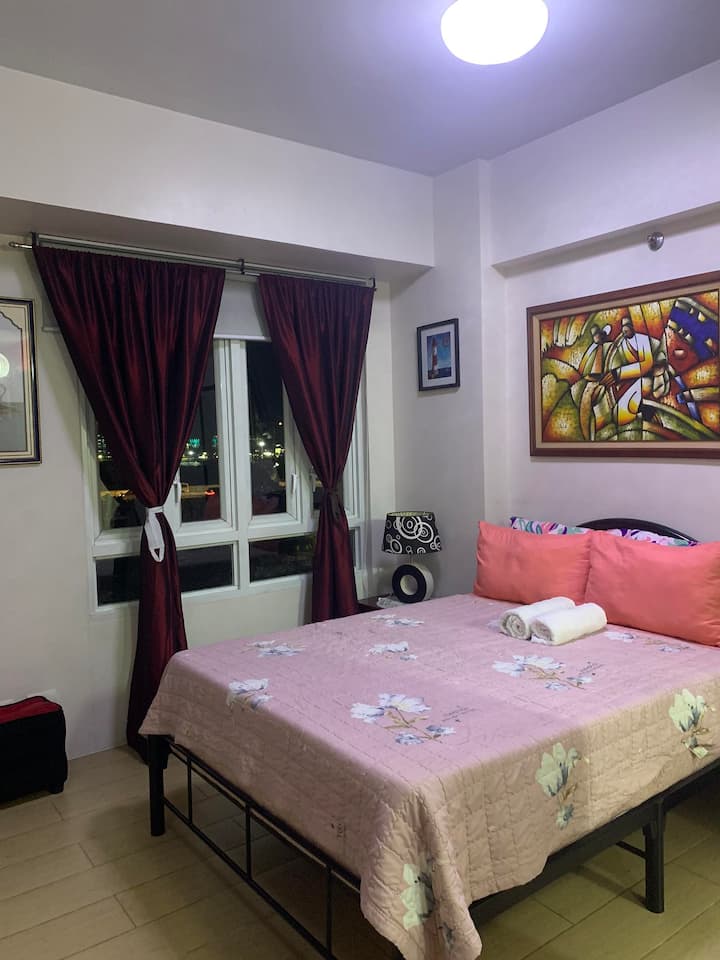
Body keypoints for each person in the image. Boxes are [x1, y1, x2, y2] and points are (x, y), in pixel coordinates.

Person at [601, 315, 655, 428]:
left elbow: (647, 364)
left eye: (628, 325)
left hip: (648, 380)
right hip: (631, 380)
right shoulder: (622, 344)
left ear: (633, 326)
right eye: (623, 326)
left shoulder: (642, 339)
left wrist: (619, 373)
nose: (625, 329)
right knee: (619, 415)